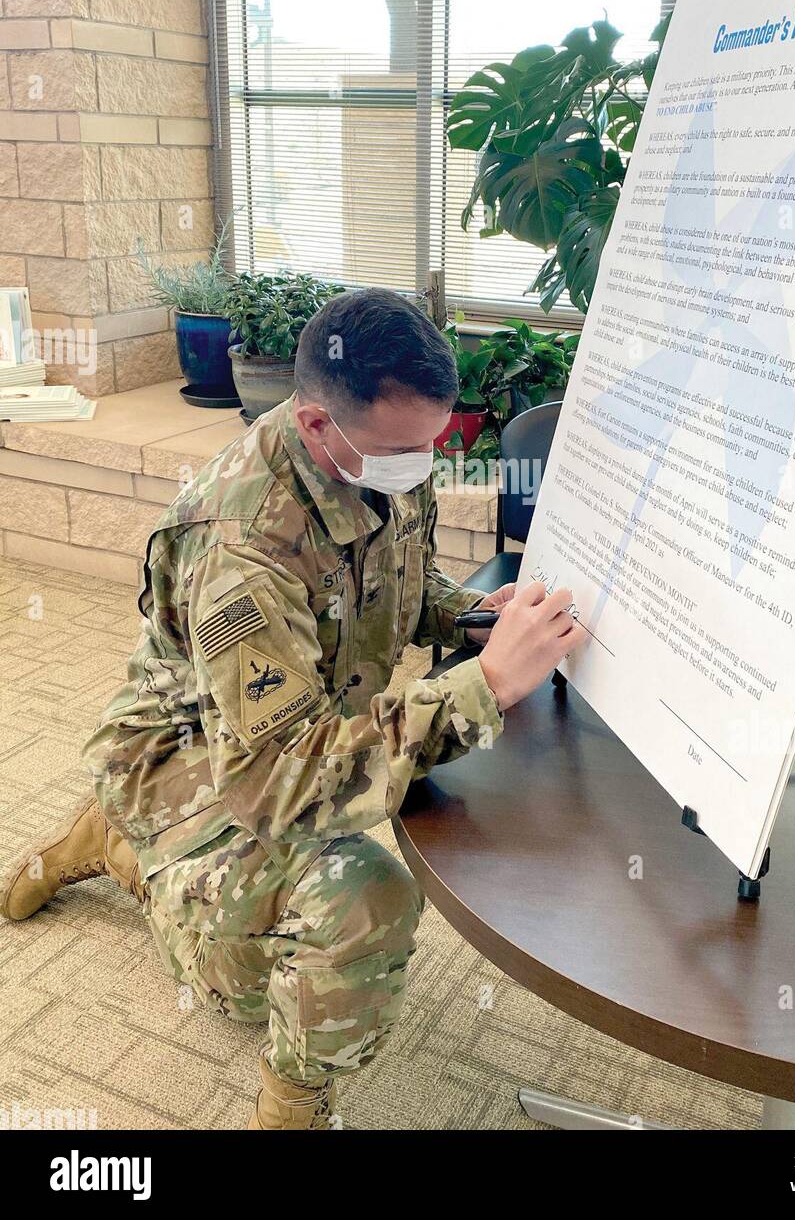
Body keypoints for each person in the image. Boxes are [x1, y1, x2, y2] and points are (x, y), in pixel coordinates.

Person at [0, 289, 584, 1130]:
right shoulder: (241, 547)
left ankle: (120, 844)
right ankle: (137, 855)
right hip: (193, 755)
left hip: (285, 726)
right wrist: (483, 687)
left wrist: (478, 620)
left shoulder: (377, 450)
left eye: (434, 445)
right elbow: (281, 781)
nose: (422, 467)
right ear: (316, 425)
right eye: (404, 450)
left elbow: (402, 584)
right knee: (350, 906)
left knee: (339, 877)